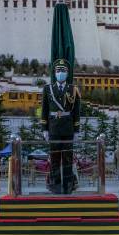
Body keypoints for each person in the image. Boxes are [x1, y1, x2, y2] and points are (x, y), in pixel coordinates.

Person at [41, 58, 81, 194]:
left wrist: (76, 130)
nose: (60, 73)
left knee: (68, 158)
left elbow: (76, 111)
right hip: (53, 128)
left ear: (68, 73)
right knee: (55, 158)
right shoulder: (48, 89)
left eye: (63, 71)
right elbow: (44, 110)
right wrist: (44, 129)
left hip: (68, 128)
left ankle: (68, 184)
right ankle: (55, 184)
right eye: (58, 70)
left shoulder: (73, 89)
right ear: (54, 72)